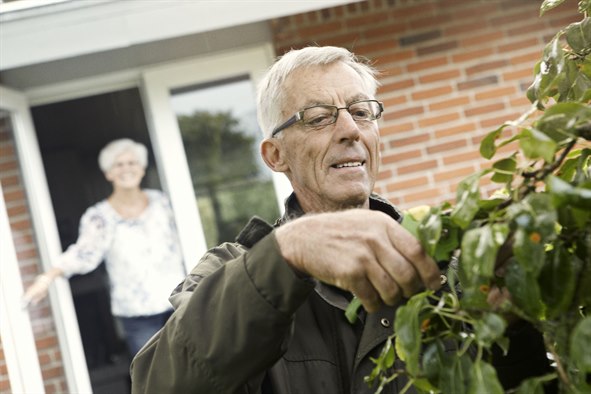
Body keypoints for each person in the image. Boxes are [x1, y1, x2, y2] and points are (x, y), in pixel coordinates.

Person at [130, 46, 552, 393]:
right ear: (275, 156)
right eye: (318, 118)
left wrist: (513, 327)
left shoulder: (448, 260)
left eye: (362, 111)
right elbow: (159, 383)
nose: (350, 129)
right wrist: (287, 253)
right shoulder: (229, 271)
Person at [23, 138, 186, 356]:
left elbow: (188, 238)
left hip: (180, 302)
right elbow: (82, 254)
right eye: (118, 165)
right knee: (157, 379)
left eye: (132, 163)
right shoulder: (99, 216)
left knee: (195, 370)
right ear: (108, 173)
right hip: (136, 314)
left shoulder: (163, 202)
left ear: (142, 168)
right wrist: (46, 278)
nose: (126, 169)